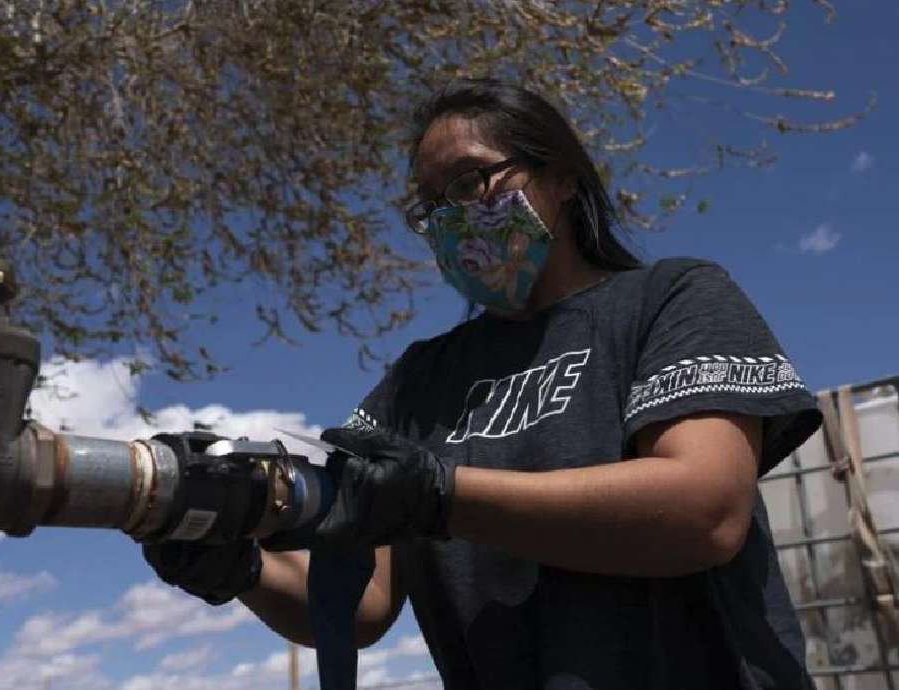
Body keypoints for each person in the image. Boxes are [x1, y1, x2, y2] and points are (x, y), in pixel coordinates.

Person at [144, 78, 823, 690]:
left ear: (560, 179)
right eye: (431, 204)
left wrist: (443, 498)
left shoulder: (671, 300)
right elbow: (367, 601)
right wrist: (242, 572)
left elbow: (705, 512)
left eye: (471, 182)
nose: (452, 217)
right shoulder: (416, 382)